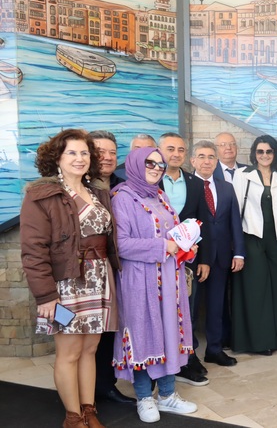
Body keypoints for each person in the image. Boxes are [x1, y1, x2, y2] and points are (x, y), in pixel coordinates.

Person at [21, 129, 119, 428]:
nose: (80, 158)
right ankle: (73, 417)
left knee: (90, 349)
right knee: (69, 352)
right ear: (57, 159)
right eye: (72, 153)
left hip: (98, 280)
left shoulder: (99, 192)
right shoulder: (42, 195)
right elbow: (33, 250)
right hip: (66, 284)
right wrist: (45, 295)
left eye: (84, 153)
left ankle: (89, 410)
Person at [111, 147, 198, 423]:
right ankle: (144, 397)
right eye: (150, 163)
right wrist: (164, 246)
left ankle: (168, 395)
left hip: (169, 278)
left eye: (160, 164)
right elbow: (121, 244)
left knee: (168, 332)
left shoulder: (159, 195)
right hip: (139, 280)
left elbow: (171, 234)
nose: (156, 168)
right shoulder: (122, 198)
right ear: (136, 164)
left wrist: (184, 245)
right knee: (142, 335)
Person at [231, 135, 277, 355]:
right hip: (252, 237)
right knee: (257, 289)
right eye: (260, 151)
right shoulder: (243, 175)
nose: (265, 155)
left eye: (269, 151)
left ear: (275, 154)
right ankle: (260, 341)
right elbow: (235, 209)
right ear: (254, 154)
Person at [86, 130, 135, 406]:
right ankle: (83, 392)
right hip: (86, 273)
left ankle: (105, 385)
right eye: (100, 151)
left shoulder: (123, 185)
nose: (106, 157)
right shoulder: (79, 187)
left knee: (110, 330)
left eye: (112, 152)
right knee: (86, 336)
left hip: (118, 269)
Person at [157, 132, 211, 386]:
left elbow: (204, 222)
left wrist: (204, 259)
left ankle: (188, 358)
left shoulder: (195, 183)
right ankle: (162, 360)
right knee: (161, 311)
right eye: (170, 149)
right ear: (159, 151)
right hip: (157, 258)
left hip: (189, 260)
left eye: (180, 149)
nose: (176, 154)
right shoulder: (150, 180)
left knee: (187, 309)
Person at [189, 140, 245, 366]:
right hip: (193, 258)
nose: (207, 161)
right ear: (193, 161)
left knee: (216, 307)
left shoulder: (226, 187)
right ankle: (189, 355)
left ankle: (214, 349)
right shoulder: (186, 185)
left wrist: (239, 253)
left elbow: (235, 222)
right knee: (191, 309)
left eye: (211, 157)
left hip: (221, 257)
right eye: (201, 156)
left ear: (216, 160)